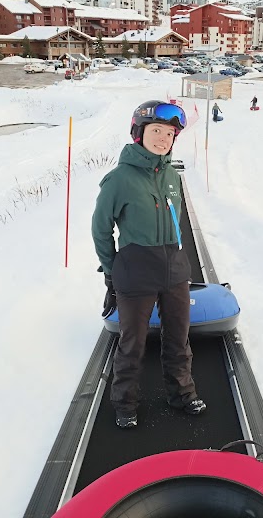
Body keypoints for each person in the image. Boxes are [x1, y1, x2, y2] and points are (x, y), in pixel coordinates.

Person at [92, 100, 206, 429]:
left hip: (173, 269)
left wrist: (178, 258)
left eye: (169, 134)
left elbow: (175, 221)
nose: (163, 139)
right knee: (132, 343)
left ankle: (182, 394)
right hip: (135, 271)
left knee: (178, 340)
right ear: (139, 133)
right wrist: (112, 270)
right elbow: (100, 228)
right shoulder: (119, 179)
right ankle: (125, 404)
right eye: (156, 131)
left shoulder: (172, 175)